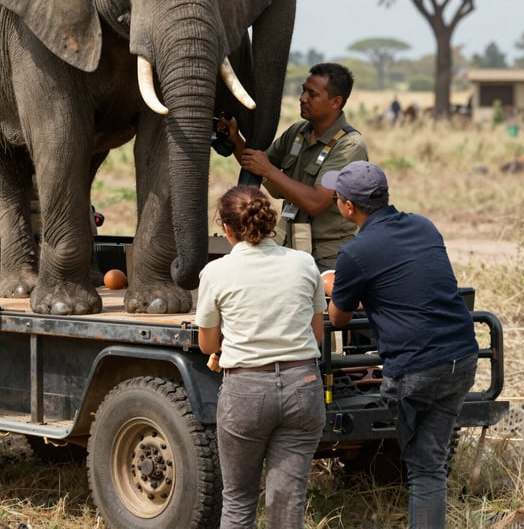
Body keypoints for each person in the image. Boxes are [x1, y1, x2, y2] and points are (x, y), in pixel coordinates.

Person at [321, 161, 478, 529]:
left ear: (347, 207)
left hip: (415, 369)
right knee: (431, 466)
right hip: (462, 356)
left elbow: (339, 318)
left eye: (338, 198)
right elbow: (412, 282)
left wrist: (334, 284)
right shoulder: (424, 226)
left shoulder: (355, 254)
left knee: (422, 465)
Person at [195, 185, 326, 528]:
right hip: (303, 384)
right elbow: (316, 334)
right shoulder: (304, 264)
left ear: (225, 228)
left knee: (238, 502)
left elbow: (208, 345)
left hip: (246, 391)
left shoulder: (216, 272)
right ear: (271, 223)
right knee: (287, 504)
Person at [220, 62, 367, 271]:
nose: (302, 98)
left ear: (336, 102)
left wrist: (269, 171)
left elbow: (316, 201)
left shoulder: (349, 146)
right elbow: (258, 166)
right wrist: (236, 141)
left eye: (312, 94)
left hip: (327, 259)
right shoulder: (298, 132)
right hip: (289, 249)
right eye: (303, 90)